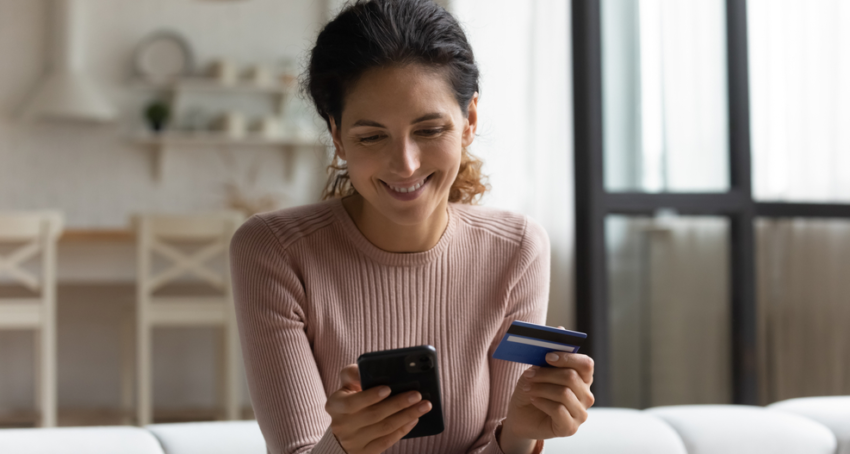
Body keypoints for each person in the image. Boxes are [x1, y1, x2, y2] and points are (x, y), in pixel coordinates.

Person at [229, 1, 595, 453]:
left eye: (428, 130)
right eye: (371, 136)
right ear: (338, 136)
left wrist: (518, 433)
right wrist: (342, 446)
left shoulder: (517, 249)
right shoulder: (274, 250)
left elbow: (499, 440)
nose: (405, 165)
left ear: (469, 122)